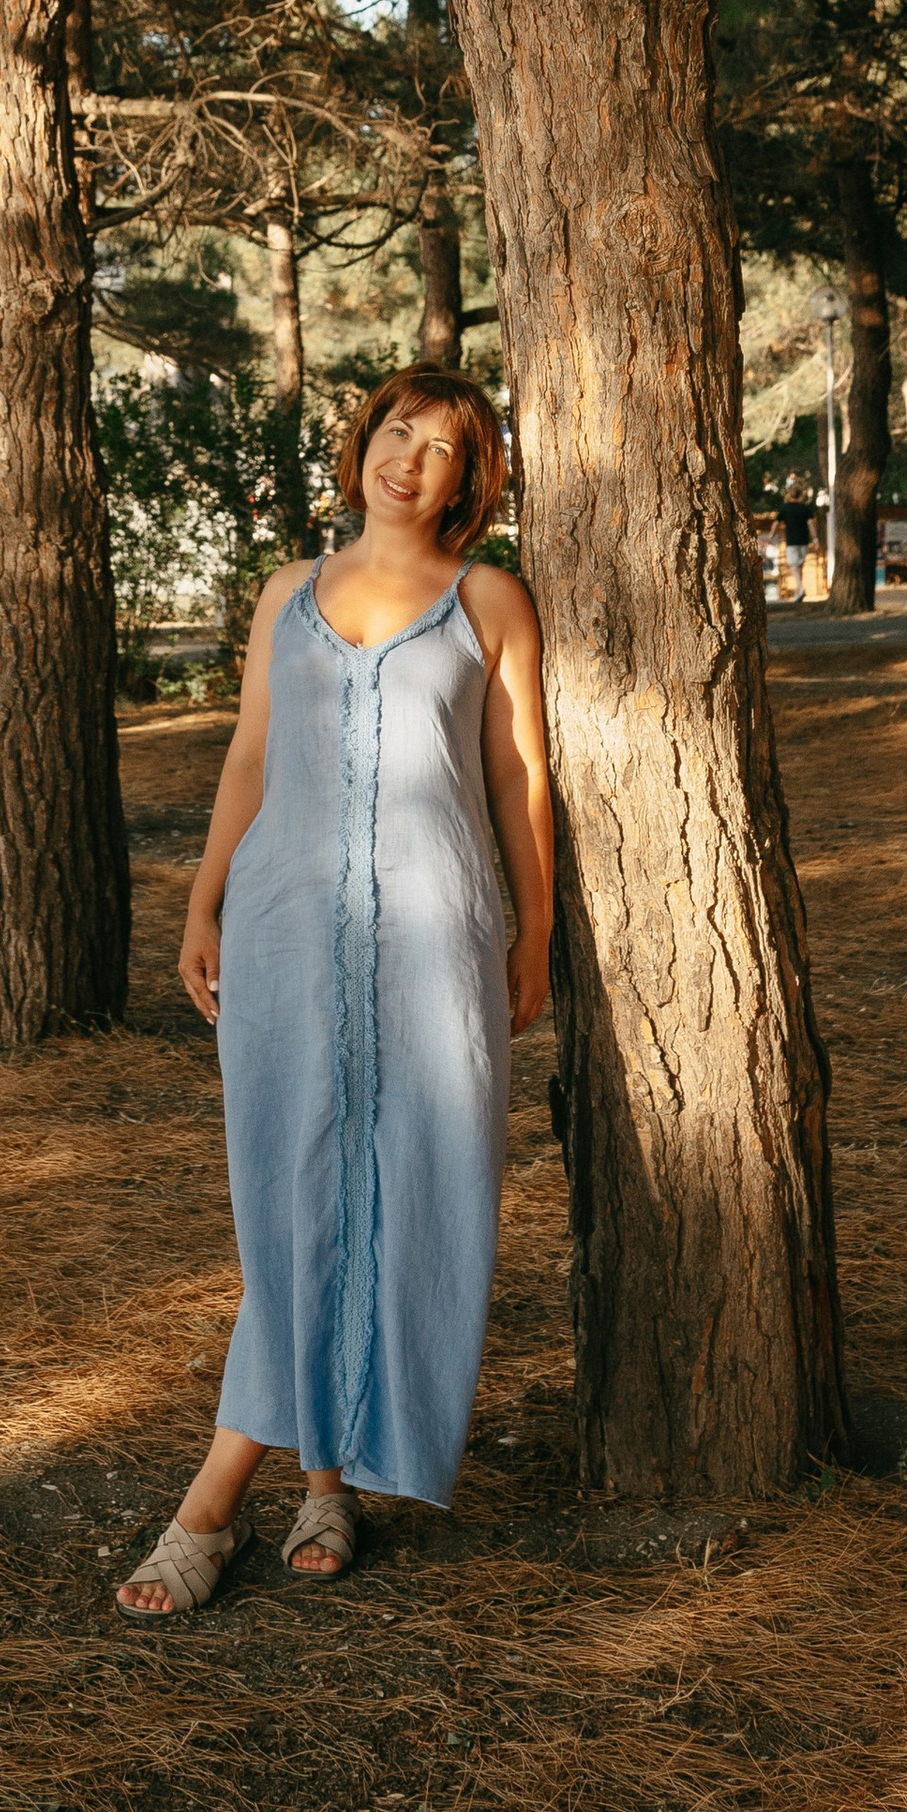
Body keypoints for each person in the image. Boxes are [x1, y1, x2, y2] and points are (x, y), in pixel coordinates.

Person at [116, 368, 554, 1617]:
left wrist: (535, 934)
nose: (408, 460)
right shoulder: (284, 597)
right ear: (363, 443)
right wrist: (203, 899)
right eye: (395, 433)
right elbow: (251, 754)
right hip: (284, 932)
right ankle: (314, 1483)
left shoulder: (489, 600)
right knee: (290, 1202)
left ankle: (229, 1502)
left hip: (434, 944)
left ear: (471, 480)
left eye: (442, 448)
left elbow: (522, 778)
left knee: (407, 1191)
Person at [776, 476, 815, 605]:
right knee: (800, 566)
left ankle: (800, 587)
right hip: (804, 540)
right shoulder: (805, 508)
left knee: (793, 566)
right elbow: (810, 524)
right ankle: (799, 592)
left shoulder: (785, 508)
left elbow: (776, 523)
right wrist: (815, 538)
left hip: (792, 541)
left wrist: (771, 536)